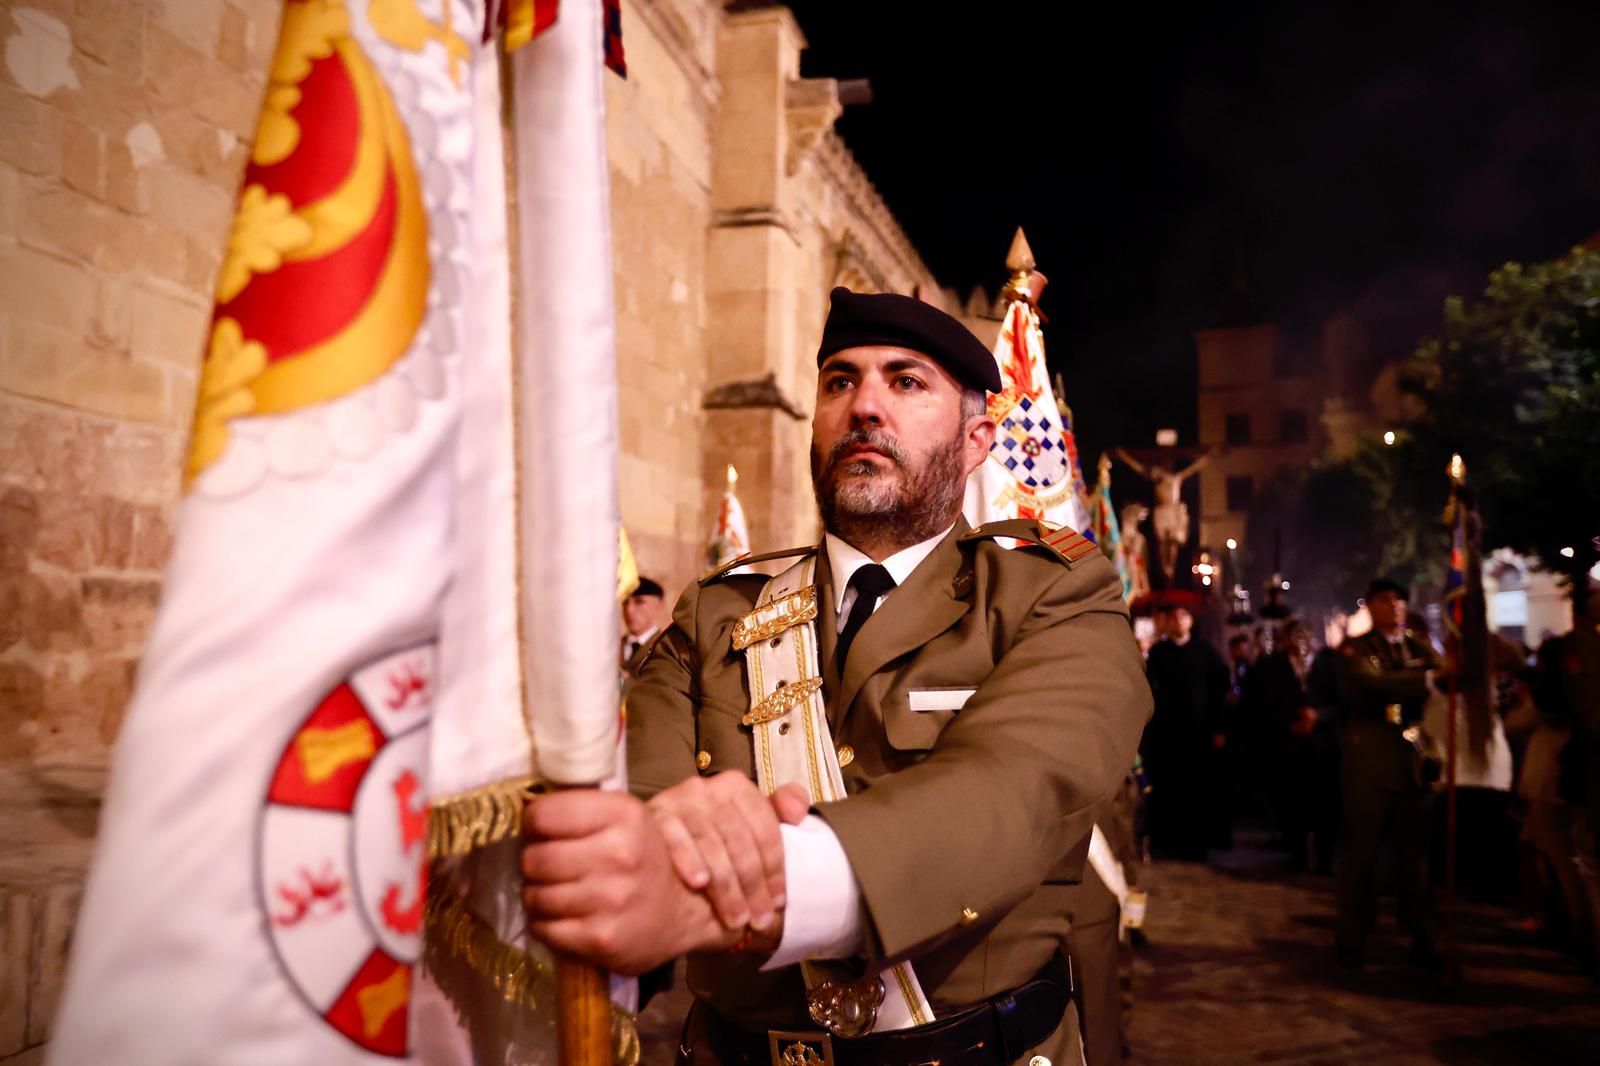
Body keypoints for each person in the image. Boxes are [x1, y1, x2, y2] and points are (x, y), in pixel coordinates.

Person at [518, 288, 1150, 1065]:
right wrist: (636, 859)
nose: (865, 407)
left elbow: (1009, 791)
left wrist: (738, 892)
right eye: (839, 381)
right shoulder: (715, 614)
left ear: (978, 438)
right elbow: (642, 802)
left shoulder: (1053, 596)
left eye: (906, 381)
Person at [1335, 577, 1446, 970]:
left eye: (1400, 599)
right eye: (1385, 600)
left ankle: (1424, 937)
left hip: (1410, 764)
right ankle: (1351, 941)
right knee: (1362, 857)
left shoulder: (1418, 645)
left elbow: (1446, 672)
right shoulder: (1356, 649)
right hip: (1370, 761)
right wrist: (1429, 681)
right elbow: (1372, 684)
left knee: (1414, 859)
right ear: (1371, 606)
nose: (1395, 605)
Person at [1141, 603, 1230, 859]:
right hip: (1168, 733)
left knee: (1197, 788)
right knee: (1169, 787)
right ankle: (1167, 841)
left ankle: (1197, 843)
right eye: (1174, 617)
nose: (1179, 621)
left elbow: (1218, 692)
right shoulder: (1158, 654)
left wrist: (1219, 728)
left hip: (1198, 732)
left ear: (1190, 621)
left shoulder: (1206, 652)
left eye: (1184, 616)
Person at [621, 576, 667, 678]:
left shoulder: (667, 648)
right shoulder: (613, 647)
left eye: (639, 602)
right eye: (625, 602)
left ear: (658, 604)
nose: (629, 610)